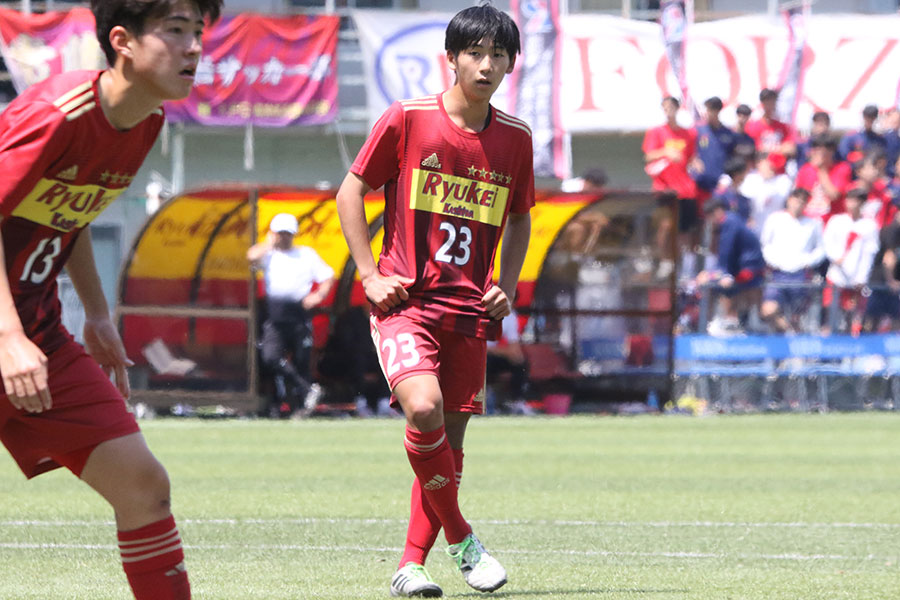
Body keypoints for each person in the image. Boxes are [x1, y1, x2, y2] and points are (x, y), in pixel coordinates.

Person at [0, 1, 222, 598]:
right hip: (12, 333)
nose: (193, 47)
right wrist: (7, 336)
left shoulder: (145, 122)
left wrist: (97, 315)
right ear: (122, 41)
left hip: (38, 335)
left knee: (142, 485)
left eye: (198, 31)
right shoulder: (58, 113)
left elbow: (68, 214)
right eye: (175, 30)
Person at [335, 4, 533, 597]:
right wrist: (368, 274)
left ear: (510, 64)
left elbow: (521, 216)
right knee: (423, 409)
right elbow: (350, 191)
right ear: (451, 58)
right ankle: (465, 541)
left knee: (449, 445)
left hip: (469, 312)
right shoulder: (408, 118)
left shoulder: (516, 138)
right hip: (406, 303)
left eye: (498, 55)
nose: (486, 65)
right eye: (475, 53)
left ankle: (410, 565)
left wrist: (507, 283)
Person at [247, 213, 334, 417]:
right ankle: (307, 389)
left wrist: (319, 295)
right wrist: (269, 243)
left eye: (288, 234)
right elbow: (251, 256)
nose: (284, 238)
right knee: (271, 357)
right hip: (275, 315)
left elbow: (328, 276)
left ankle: (300, 407)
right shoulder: (269, 255)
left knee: (302, 361)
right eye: (281, 233)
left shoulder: (306, 255)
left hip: (299, 314)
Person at [642, 96, 699, 276]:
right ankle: (665, 261)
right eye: (664, 108)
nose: (667, 112)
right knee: (665, 226)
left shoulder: (689, 133)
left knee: (685, 230)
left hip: (685, 189)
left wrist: (696, 163)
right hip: (664, 188)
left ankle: (682, 265)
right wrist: (665, 151)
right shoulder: (656, 132)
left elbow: (690, 157)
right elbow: (648, 156)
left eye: (670, 108)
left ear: (677, 109)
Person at [759, 188, 826, 333]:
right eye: (796, 200)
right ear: (789, 200)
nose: (798, 205)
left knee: (797, 316)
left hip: (800, 274)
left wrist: (809, 261)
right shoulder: (775, 219)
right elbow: (765, 244)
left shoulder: (813, 223)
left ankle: (790, 340)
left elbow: (821, 249)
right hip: (777, 273)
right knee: (768, 310)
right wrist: (772, 260)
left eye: (802, 202)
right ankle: (789, 331)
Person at [696, 197, 766, 336]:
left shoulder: (729, 222)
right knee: (709, 278)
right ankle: (728, 320)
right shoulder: (733, 219)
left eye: (709, 216)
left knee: (709, 282)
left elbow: (726, 251)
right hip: (744, 267)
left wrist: (721, 274)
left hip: (748, 269)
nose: (710, 221)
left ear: (717, 212)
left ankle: (721, 321)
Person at [822, 187, 879, 333]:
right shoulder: (836, 221)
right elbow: (827, 243)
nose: (851, 204)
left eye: (855, 201)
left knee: (851, 315)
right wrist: (835, 257)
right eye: (849, 200)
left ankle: (848, 343)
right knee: (831, 312)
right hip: (836, 276)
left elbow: (869, 254)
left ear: (862, 203)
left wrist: (862, 278)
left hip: (855, 279)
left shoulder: (869, 226)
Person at [691, 96, 738, 208]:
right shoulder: (697, 130)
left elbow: (733, 157)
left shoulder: (728, 133)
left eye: (710, 110)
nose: (707, 113)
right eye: (706, 110)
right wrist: (694, 160)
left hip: (720, 184)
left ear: (717, 111)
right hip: (700, 181)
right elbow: (688, 150)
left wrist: (727, 178)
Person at [795, 135, 853, 223]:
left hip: (832, 221)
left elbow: (834, 195)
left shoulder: (842, 168)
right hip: (809, 221)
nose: (817, 153)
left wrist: (821, 169)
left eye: (821, 150)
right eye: (815, 149)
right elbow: (799, 196)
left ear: (831, 151)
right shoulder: (805, 169)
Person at [862, 202, 900, 332]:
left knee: (894, 318)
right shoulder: (893, 230)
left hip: (889, 284)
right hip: (882, 282)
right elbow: (888, 258)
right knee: (873, 319)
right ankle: (866, 342)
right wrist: (891, 281)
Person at [745, 88, 796, 174]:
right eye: (767, 101)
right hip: (759, 172)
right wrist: (780, 149)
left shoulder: (783, 127)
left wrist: (768, 149)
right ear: (762, 103)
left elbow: (790, 149)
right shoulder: (753, 126)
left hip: (780, 172)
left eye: (772, 101)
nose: (770, 104)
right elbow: (755, 150)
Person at [740, 151, 792, 234]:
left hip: (776, 228)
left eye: (771, 164)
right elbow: (746, 199)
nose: (770, 166)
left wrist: (769, 180)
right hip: (753, 226)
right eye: (766, 164)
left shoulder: (783, 180)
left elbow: (782, 198)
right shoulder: (749, 179)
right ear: (758, 164)